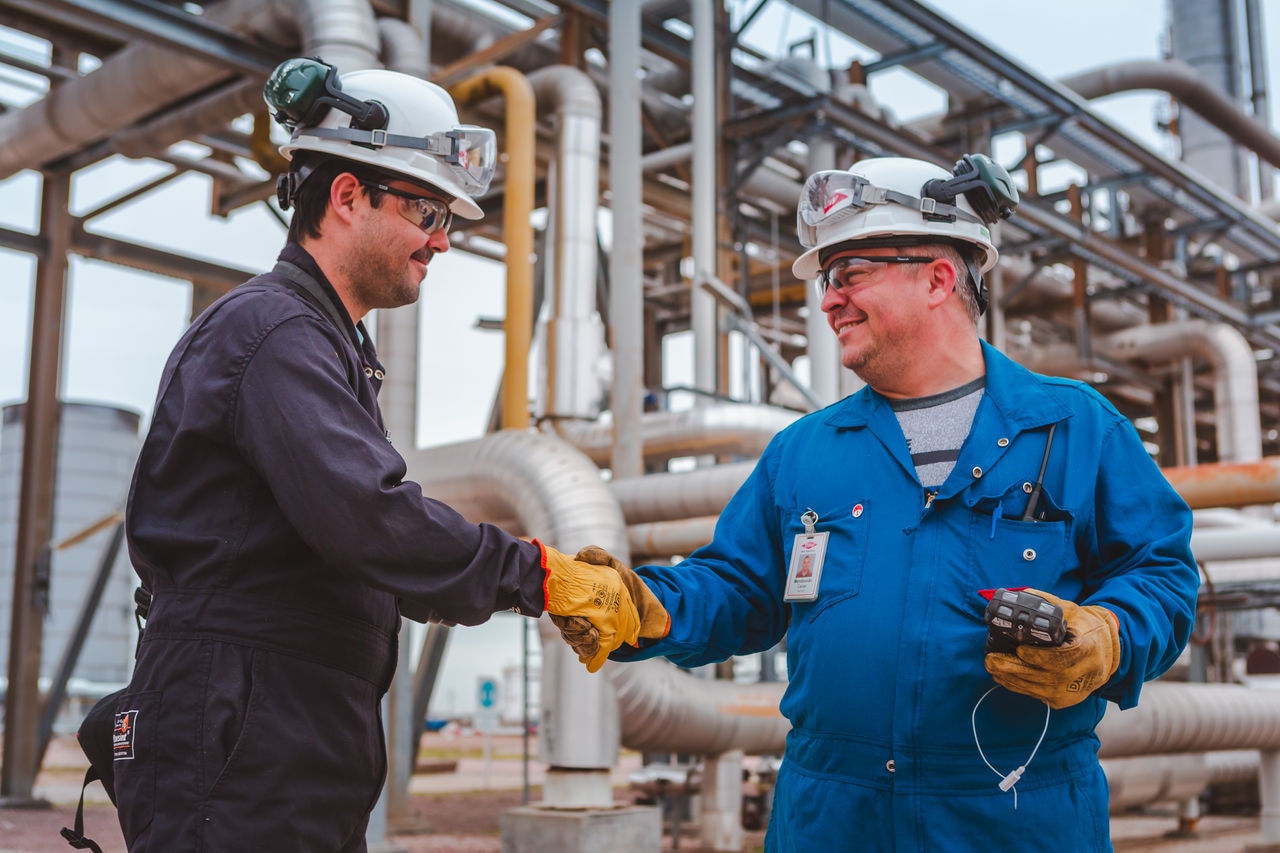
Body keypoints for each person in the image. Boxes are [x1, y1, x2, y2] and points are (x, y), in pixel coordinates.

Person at [556, 155, 1199, 850]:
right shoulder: (804, 452)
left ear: (937, 277)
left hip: (1013, 814)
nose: (828, 299)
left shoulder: (1076, 429)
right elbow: (740, 588)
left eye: (848, 274)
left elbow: (1161, 575)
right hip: (833, 816)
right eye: (827, 280)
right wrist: (644, 604)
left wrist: (1108, 635)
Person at [109, 57, 650, 852]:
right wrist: (541, 575)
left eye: (450, 217)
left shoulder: (325, 344)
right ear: (348, 196)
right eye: (427, 209)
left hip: (280, 724)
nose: (441, 240)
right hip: (238, 726)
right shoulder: (274, 334)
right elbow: (371, 520)